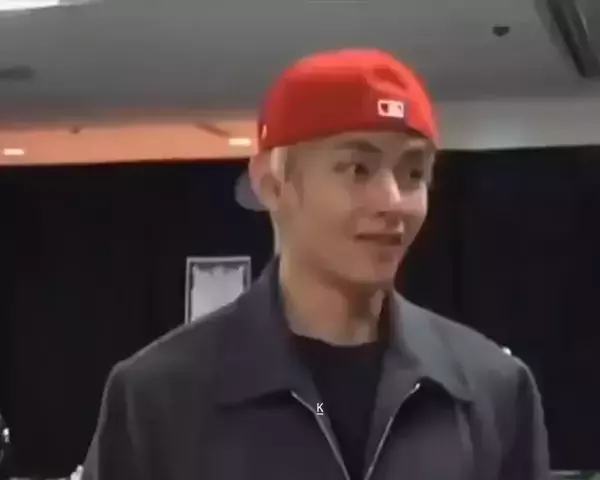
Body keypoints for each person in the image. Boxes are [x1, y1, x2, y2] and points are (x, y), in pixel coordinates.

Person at [81, 48, 550, 480]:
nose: (393, 202)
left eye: (413, 172)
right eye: (357, 169)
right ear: (273, 185)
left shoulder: (492, 390)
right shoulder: (157, 398)